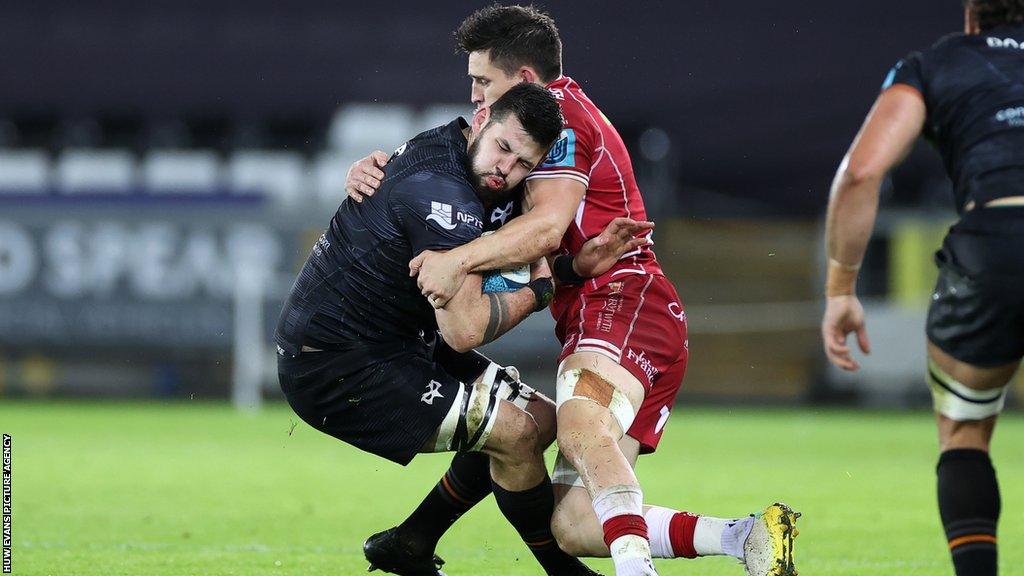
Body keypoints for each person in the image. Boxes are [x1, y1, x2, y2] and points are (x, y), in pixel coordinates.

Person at [348, 6, 798, 576]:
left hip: (624, 300)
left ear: (527, 81)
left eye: (483, 81)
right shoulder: (527, 132)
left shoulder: (557, 118)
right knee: (574, 525)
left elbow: (544, 228)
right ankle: (747, 539)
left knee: (578, 421)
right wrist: (385, 172)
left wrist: (455, 259)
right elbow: (465, 181)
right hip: (608, 311)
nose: (475, 97)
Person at [277, 83, 602, 576]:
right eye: (504, 149)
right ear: (482, 118)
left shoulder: (458, 151)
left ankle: (410, 542)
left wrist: (567, 265)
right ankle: (563, 572)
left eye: (523, 165)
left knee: (543, 419)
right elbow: (464, 332)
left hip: (399, 342)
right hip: (337, 363)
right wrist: (541, 291)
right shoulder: (441, 198)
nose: (506, 171)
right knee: (514, 435)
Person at [821, 2, 1024, 575]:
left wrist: (841, 289)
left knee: (963, 430)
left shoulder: (935, 66)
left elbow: (861, 172)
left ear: (970, 16)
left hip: (993, 248)